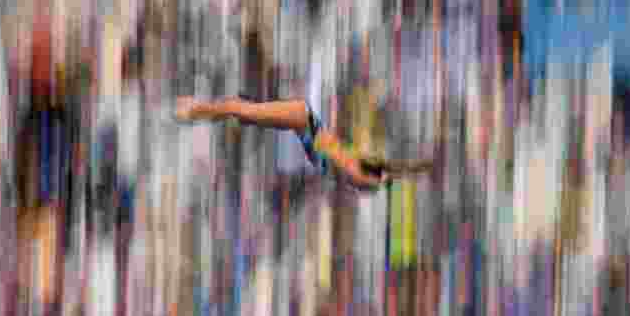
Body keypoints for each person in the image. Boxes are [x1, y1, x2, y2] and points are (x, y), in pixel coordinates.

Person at [173, 94, 435, 192]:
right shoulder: (354, 166)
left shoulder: (354, 169)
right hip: (306, 122)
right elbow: (389, 169)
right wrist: (414, 170)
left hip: (307, 124)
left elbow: (383, 172)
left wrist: (411, 172)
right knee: (242, 110)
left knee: (242, 111)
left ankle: (197, 111)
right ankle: (195, 111)